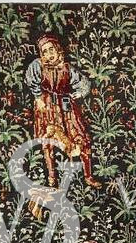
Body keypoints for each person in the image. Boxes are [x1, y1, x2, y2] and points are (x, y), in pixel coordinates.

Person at [24, 34, 100, 188]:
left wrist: (76, 95)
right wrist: (38, 97)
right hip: (47, 107)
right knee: (49, 142)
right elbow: (31, 80)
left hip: (66, 108)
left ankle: (88, 176)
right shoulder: (38, 66)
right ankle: (52, 178)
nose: (49, 54)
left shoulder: (66, 68)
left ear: (58, 49)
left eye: (51, 49)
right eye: (45, 51)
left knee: (80, 138)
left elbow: (84, 84)